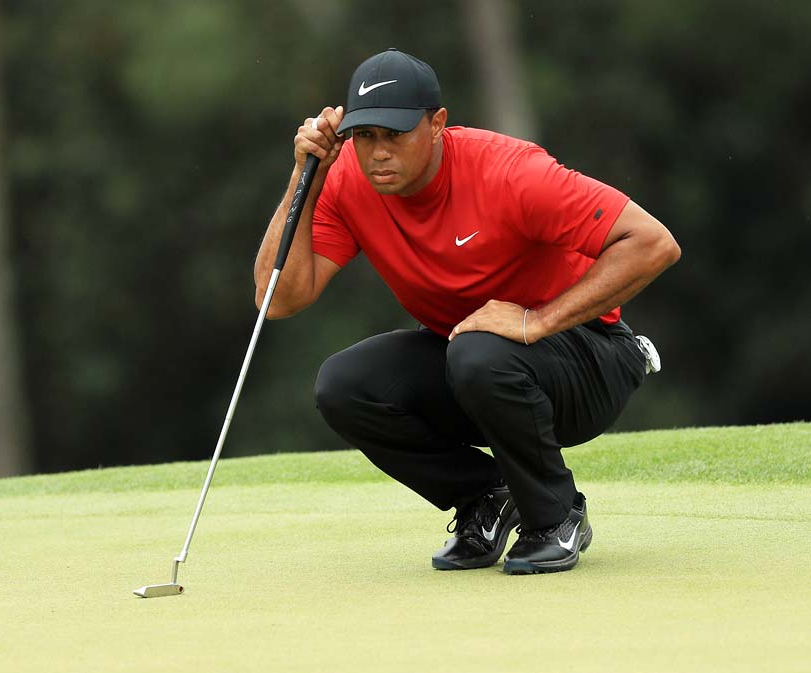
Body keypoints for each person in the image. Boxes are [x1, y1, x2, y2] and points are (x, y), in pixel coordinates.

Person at [254, 49, 680, 574]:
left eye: (395, 135)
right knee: (343, 385)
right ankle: (487, 497)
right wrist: (306, 179)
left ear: (437, 125)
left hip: (588, 359)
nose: (378, 153)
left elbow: (653, 242)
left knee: (478, 353)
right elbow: (278, 299)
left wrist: (536, 321)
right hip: (474, 359)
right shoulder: (345, 182)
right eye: (365, 137)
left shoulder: (510, 172)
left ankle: (556, 516)